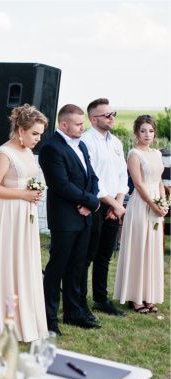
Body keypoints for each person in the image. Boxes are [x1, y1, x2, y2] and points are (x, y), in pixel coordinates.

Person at [0, 104, 49, 342]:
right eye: (34, 134)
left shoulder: (28, 152)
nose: (38, 139)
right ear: (20, 129)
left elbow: (25, 179)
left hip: (25, 214)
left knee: (25, 263)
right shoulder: (4, 153)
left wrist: (34, 191)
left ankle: (26, 319)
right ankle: (3, 322)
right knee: (9, 263)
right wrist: (23, 195)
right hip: (8, 214)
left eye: (40, 134)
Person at [38, 104, 101, 336]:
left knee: (77, 267)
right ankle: (49, 319)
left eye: (82, 123)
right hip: (65, 219)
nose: (82, 127)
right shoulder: (50, 148)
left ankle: (74, 313)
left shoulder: (82, 145)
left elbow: (91, 177)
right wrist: (91, 202)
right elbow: (60, 184)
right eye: (78, 124)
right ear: (63, 125)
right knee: (57, 268)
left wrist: (90, 200)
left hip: (84, 217)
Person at [79, 98, 127, 317]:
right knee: (88, 255)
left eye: (112, 113)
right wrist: (114, 204)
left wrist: (118, 201)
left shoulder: (116, 142)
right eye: (106, 115)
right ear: (93, 119)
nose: (111, 117)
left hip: (113, 206)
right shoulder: (86, 141)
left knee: (105, 256)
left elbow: (121, 175)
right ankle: (79, 301)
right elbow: (93, 179)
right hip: (96, 205)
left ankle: (100, 299)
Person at [114, 115, 167, 312]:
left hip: (156, 204)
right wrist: (153, 205)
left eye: (151, 131)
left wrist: (163, 203)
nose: (147, 134)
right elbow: (138, 184)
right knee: (138, 249)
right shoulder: (134, 154)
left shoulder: (157, 154)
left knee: (152, 249)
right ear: (136, 133)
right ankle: (135, 298)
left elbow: (159, 181)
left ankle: (148, 296)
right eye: (143, 131)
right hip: (141, 204)